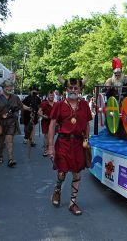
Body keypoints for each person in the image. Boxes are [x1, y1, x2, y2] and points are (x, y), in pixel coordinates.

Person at [47, 77, 92, 216]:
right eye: (70, 88)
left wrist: (86, 140)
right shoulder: (59, 105)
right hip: (63, 143)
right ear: (66, 89)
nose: (73, 90)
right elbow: (52, 125)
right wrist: (50, 146)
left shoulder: (84, 105)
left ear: (80, 90)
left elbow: (87, 124)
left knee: (77, 173)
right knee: (62, 173)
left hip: (78, 144)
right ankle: (57, 190)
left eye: (76, 88)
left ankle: (73, 202)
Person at [0, 79, 31, 167]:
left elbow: (21, 105)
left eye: (10, 86)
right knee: (1, 140)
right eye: (7, 86)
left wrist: (29, 108)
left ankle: (10, 159)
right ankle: (0, 154)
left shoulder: (15, 97)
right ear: (3, 87)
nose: (9, 88)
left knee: (9, 140)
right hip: (0, 122)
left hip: (11, 121)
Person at [38, 90, 55, 157]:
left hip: (53, 122)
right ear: (48, 96)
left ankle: (50, 149)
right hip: (45, 122)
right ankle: (45, 150)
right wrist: (43, 116)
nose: (51, 96)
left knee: (52, 136)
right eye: (50, 95)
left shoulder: (56, 104)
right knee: (46, 136)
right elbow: (39, 112)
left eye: (53, 95)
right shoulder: (44, 103)